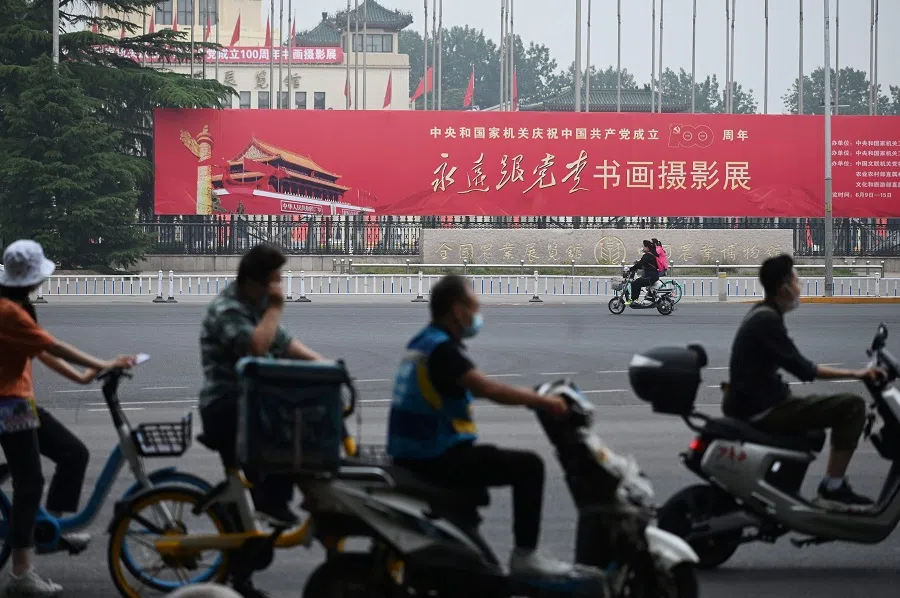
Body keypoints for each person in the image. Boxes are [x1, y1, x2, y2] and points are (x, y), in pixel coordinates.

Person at [386, 274, 575, 577]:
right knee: (530, 467)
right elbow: (487, 389)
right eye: (474, 307)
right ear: (457, 311)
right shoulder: (442, 351)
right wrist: (544, 402)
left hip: (414, 452)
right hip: (435, 457)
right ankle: (525, 557)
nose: (477, 316)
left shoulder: (422, 342)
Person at [0, 239, 136, 597]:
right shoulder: (7, 311)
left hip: (19, 402)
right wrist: (103, 364)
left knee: (73, 453)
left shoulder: (20, 307)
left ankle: (52, 528)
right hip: (7, 406)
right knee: (29, 484)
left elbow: (40, 351)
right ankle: (20, 575)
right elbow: (52, 347)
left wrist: (82, 377)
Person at [722, 254, 885, 509]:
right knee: (852, 406)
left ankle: (786, 488)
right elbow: (805, 369)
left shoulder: (761, 313)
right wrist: (858, 374)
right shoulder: (767, 321)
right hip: (762, 407)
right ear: (784, 287)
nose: (800, 287)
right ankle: (833, 486)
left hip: (755, 401)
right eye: (797, 281)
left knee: (813, 430)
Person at [198, 243, 325, 527]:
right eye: (274, 280)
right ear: (255, 281)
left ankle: (258, 513)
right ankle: (273, 503)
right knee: (285, 420)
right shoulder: (227, 309)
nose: (278, 287)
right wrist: (276, 309)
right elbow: (256, 348)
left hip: (250, 401)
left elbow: (284, 343)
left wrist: (324, 365)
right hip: (225, 404)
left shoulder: (257, 306)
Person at [625, 240, 659, 306]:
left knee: (635, 283)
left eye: (644, 246)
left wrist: (630, 269)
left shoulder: (647, 256)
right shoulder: (651, 255)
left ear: (647, 248)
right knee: (637, 282)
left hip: (650, 277)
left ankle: (634, 300)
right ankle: (635, 300)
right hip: (653, 276)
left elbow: (640, 265)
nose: (642, 248)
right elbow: (643, 264)